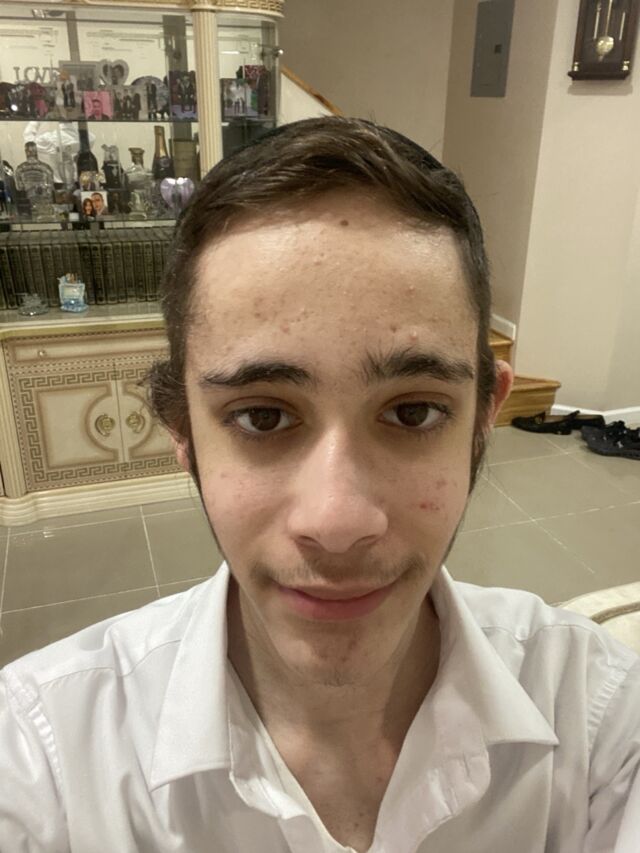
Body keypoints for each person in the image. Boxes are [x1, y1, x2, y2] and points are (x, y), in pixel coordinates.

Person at [0, 117, 638, 852]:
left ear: (483, 417)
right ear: (182, 427)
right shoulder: (44, 757)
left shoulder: (601, 717)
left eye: (413, 411)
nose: (337, 522)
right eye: (263, 416)